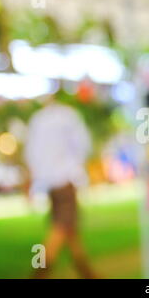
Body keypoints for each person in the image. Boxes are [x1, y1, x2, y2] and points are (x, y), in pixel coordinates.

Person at [25, 101, 96, 278]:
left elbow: (31, 153)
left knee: (70, 227)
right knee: (61, 227)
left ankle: (86, 272)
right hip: (65, 178)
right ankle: (40, 271)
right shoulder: (69, 116)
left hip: (48, 181)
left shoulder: (37, 120)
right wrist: (76, 166)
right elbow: (83, 144)